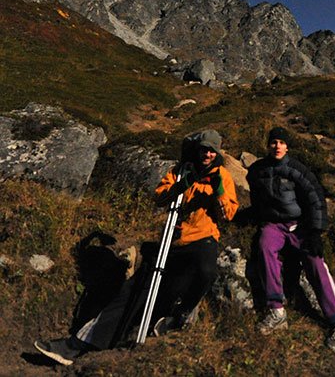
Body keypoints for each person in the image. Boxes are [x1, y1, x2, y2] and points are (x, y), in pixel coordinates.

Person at [34, 130, 239, 365]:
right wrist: (182, 185)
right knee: (134, 290)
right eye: (204, 149)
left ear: (218, 153)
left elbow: (228, 215)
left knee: (207, 271)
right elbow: (159, 198)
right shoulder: (181, 170)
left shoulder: (222, 175)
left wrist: (219, 192)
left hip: (203, 238)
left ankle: (180, 317)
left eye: (213, 150)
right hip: (172, 242)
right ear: (197, 150)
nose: (208, 154)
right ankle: (79, 344)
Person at [246, 127, 335, 353]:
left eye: (282, 142)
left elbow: (316, 199)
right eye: (274, 142)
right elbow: (256, 197)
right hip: (272, 225)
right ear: (268, 145)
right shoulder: (257, 171)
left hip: (298, 226)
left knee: (314, 261)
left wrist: (315, 232)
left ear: (288, 146)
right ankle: (276, 309)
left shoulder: (297, 170)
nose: (278, 146)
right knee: (265, 247)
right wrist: (253, 214)